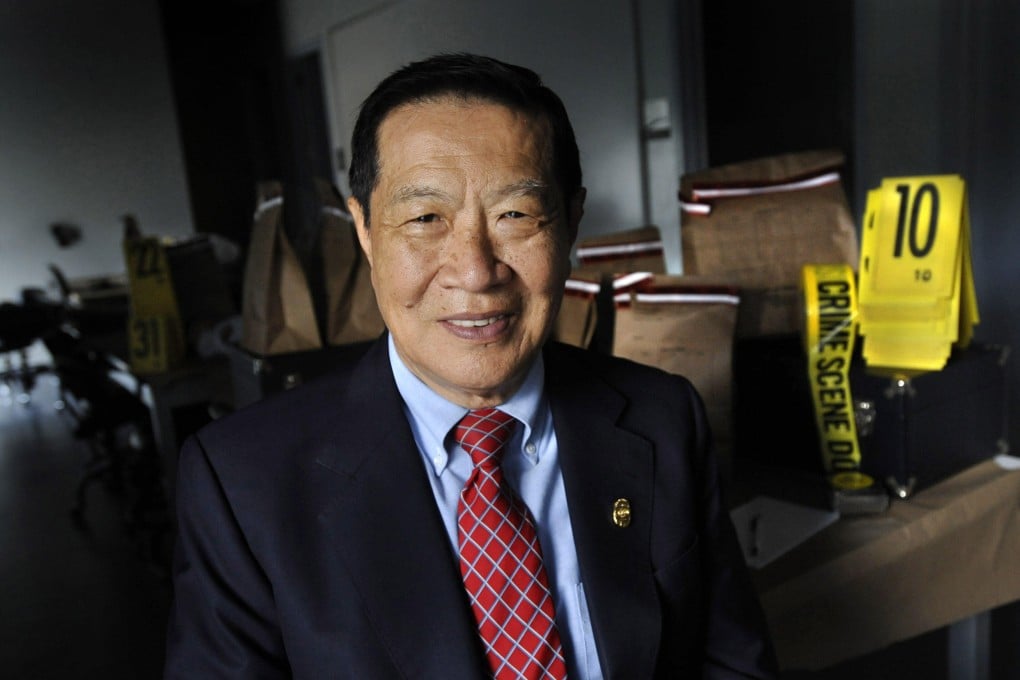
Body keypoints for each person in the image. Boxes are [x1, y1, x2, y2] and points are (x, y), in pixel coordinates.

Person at [164, 52, 778, 679]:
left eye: (516, 215)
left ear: (570, 225)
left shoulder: (663, 417)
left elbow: (728, 661)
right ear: (366, 233)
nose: (476, 270)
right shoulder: (242, 482)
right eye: (425, 219)